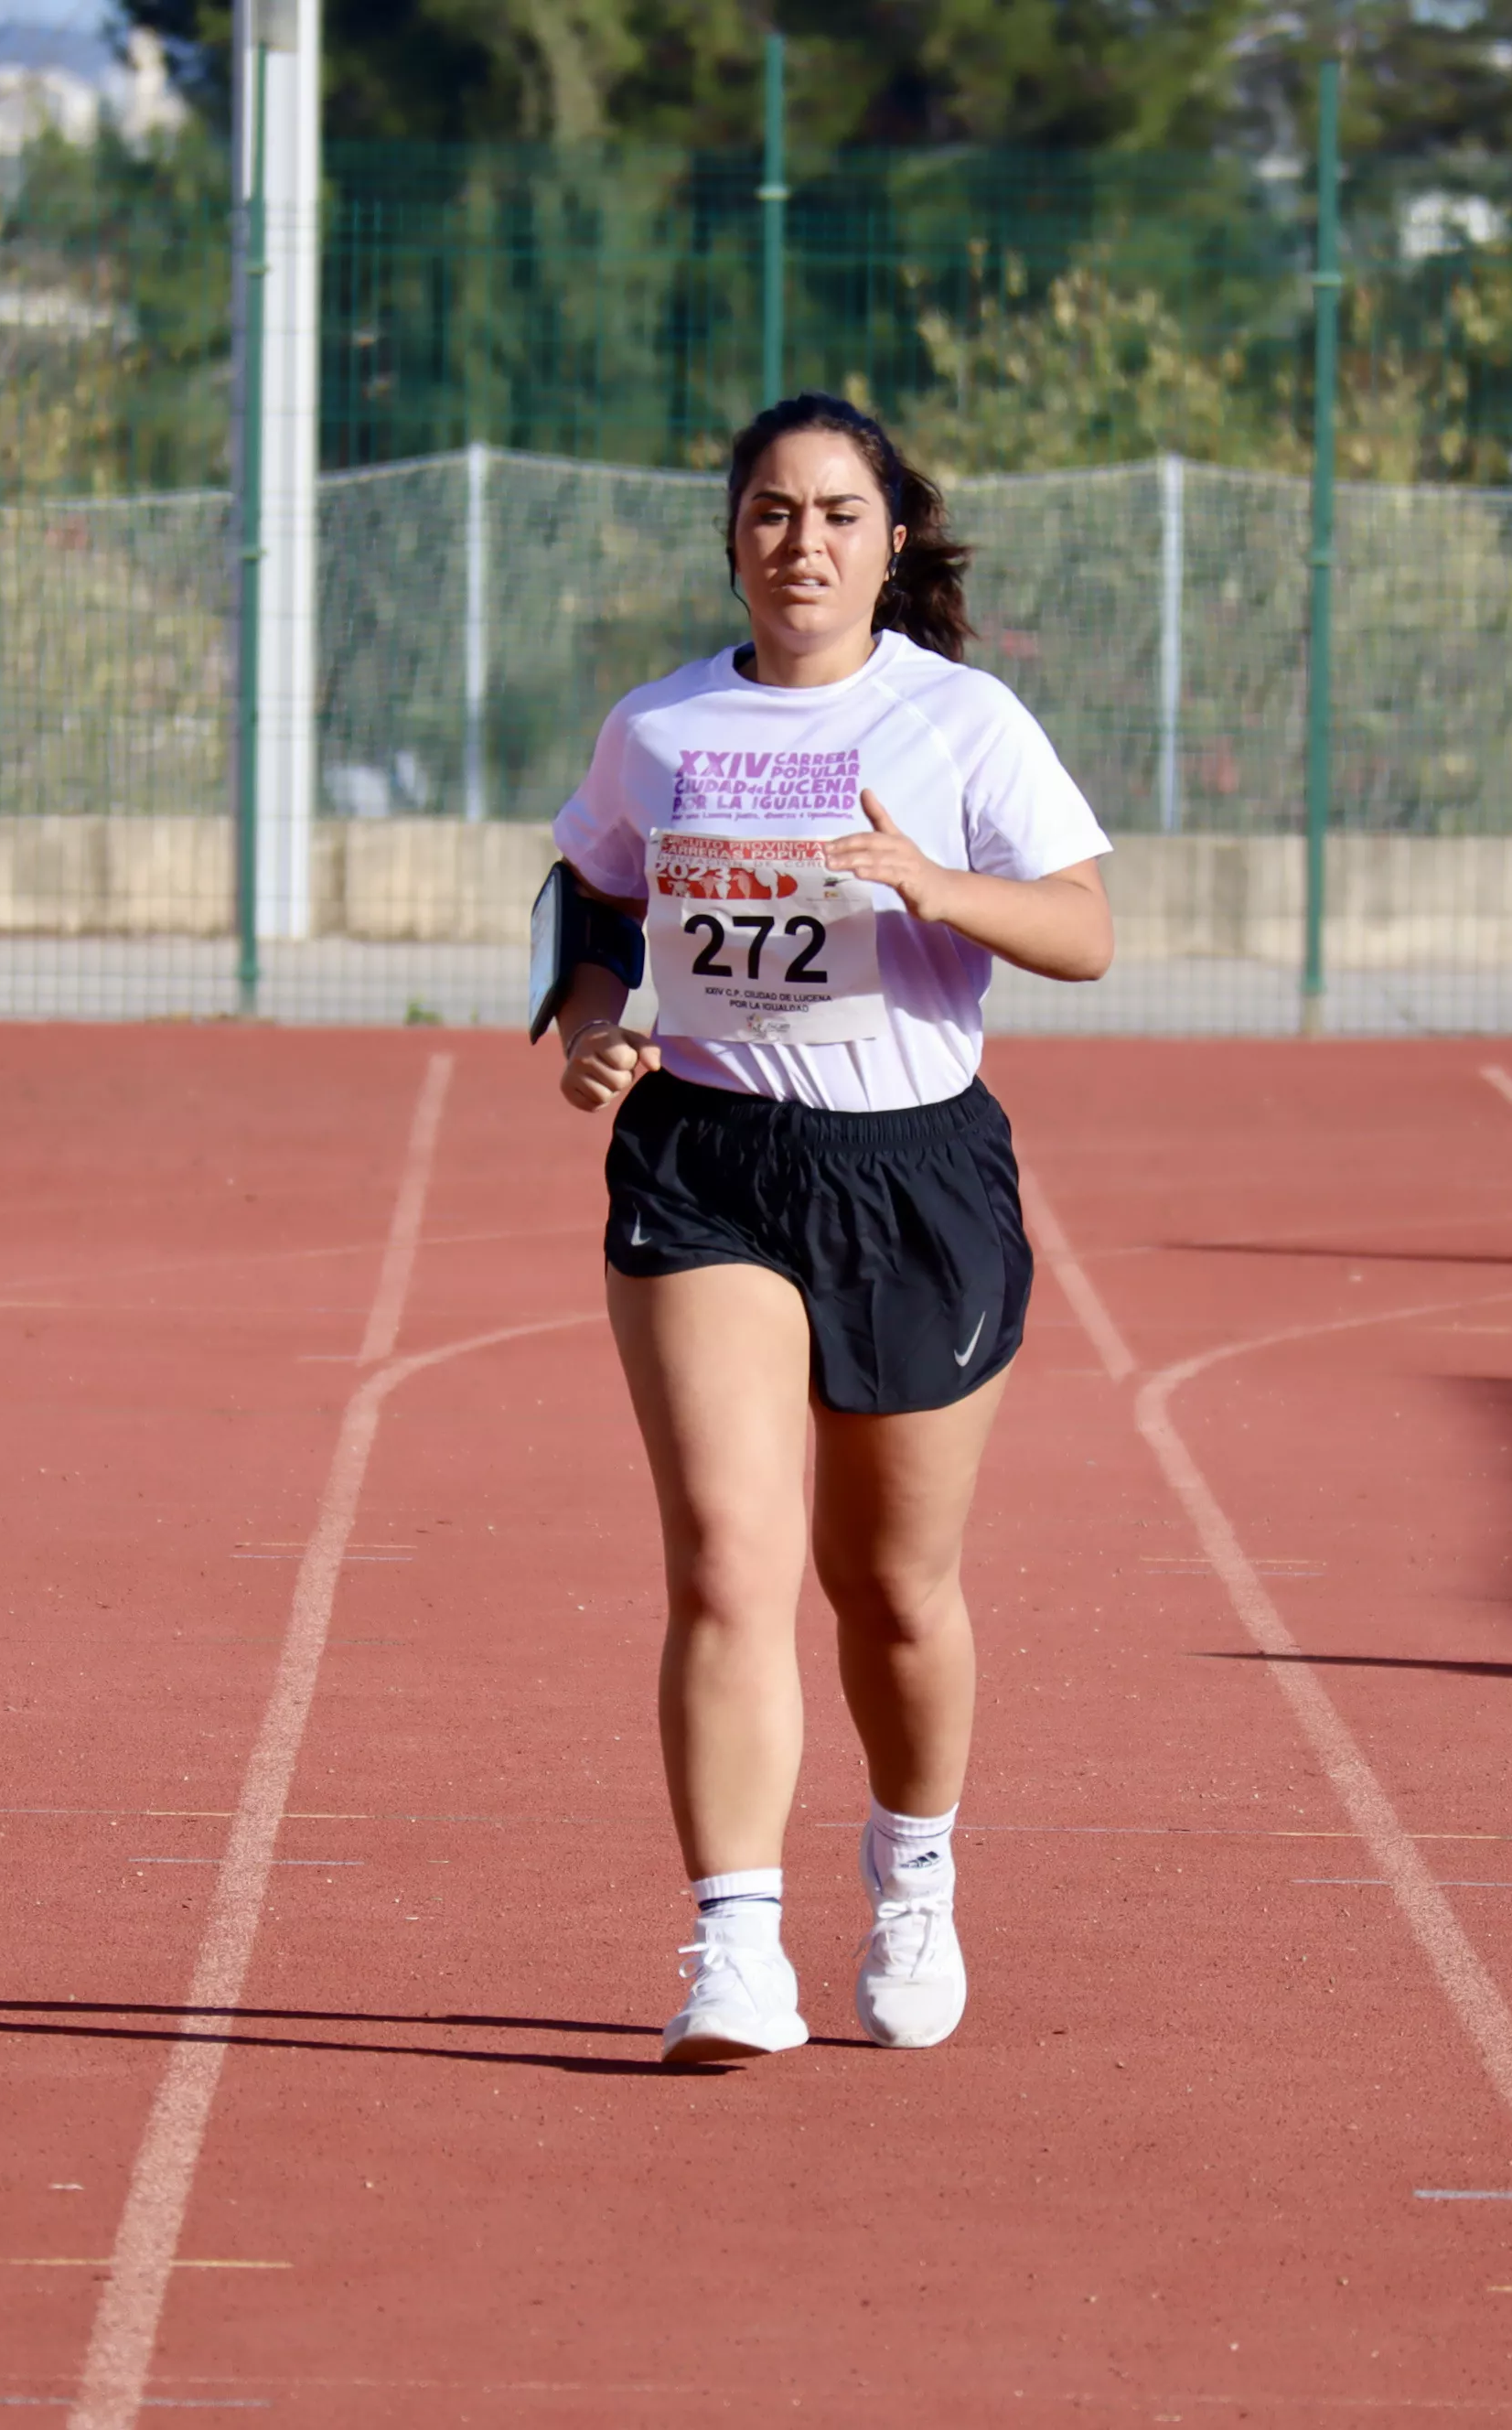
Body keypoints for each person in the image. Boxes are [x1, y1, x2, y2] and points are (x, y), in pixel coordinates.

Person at [541, 392, 1113, 2064]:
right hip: (707, 1158)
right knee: (729, 1563)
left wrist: (940, 886)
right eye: (774, 513)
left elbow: (1082, 930)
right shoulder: (655, 727)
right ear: (732, 537)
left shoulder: (963, 721)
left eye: (839, 514)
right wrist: (592, 1021)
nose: (804, 543)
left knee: (895, 1592)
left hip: (914, 1176)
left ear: (894, 539)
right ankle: (733, 1949)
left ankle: (913, 1870)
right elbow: (593, 889)